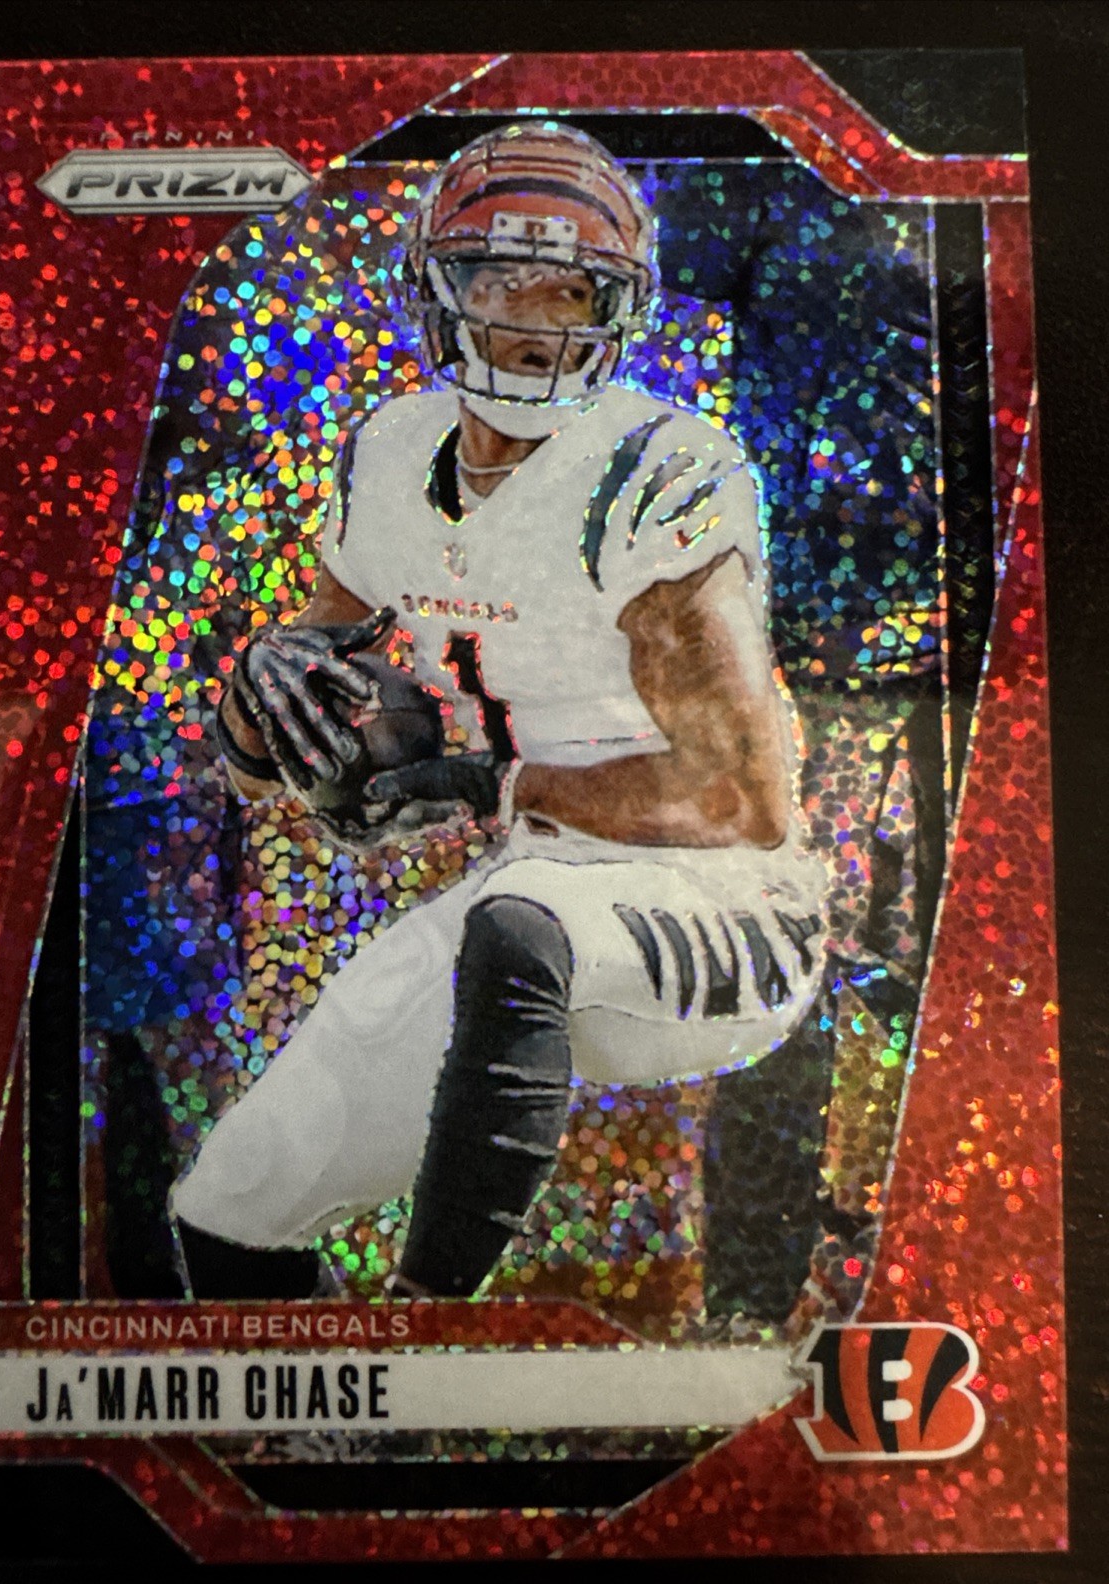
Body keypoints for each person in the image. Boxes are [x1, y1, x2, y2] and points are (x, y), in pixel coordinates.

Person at [170, 122, 826, 1300]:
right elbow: (269, 759)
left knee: (522, 922)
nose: (532, 321)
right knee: (236, 1199)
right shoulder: (390, 454)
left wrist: (492, 783)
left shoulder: (654, 471)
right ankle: (347, 1403)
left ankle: (435, 1334)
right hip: (531, 893)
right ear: (439, 289)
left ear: (614, 310)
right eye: (498, 281)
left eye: (568, 290)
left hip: (728, 908)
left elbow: (743, 801)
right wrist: (258, 687)